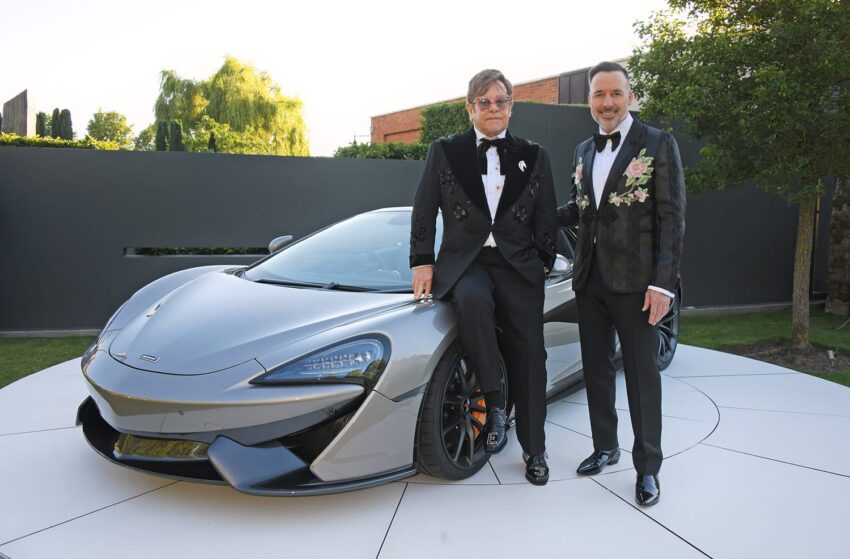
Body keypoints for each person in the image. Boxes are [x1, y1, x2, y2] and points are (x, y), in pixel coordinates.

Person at [410, 69, 558, 485]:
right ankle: (494, 404)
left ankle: (535, 450)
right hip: (466, 264)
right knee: (473, 301)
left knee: (531, 357)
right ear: (470, 108)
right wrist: (422, 260)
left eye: (500, 101)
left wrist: (543, 263)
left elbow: (547, 215)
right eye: (484, 102)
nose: (493, 108)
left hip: (519, 267)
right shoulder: (445, 151)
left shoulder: (535, 154)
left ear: (511, 106)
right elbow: (423, 209)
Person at [557, 61, 685, 506]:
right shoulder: (582, 151)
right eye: (598, 94)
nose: (607, 102)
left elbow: (671, 219)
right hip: (589, 278)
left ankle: (648, 468)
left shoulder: (657, 143)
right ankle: (605, 447)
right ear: (588, 100)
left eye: (615, 93)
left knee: (641, 378)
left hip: (636, 284)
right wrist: (533, 215)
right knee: (595, 371)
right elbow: (579, 209)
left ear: (630, 97)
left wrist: (663, 285)